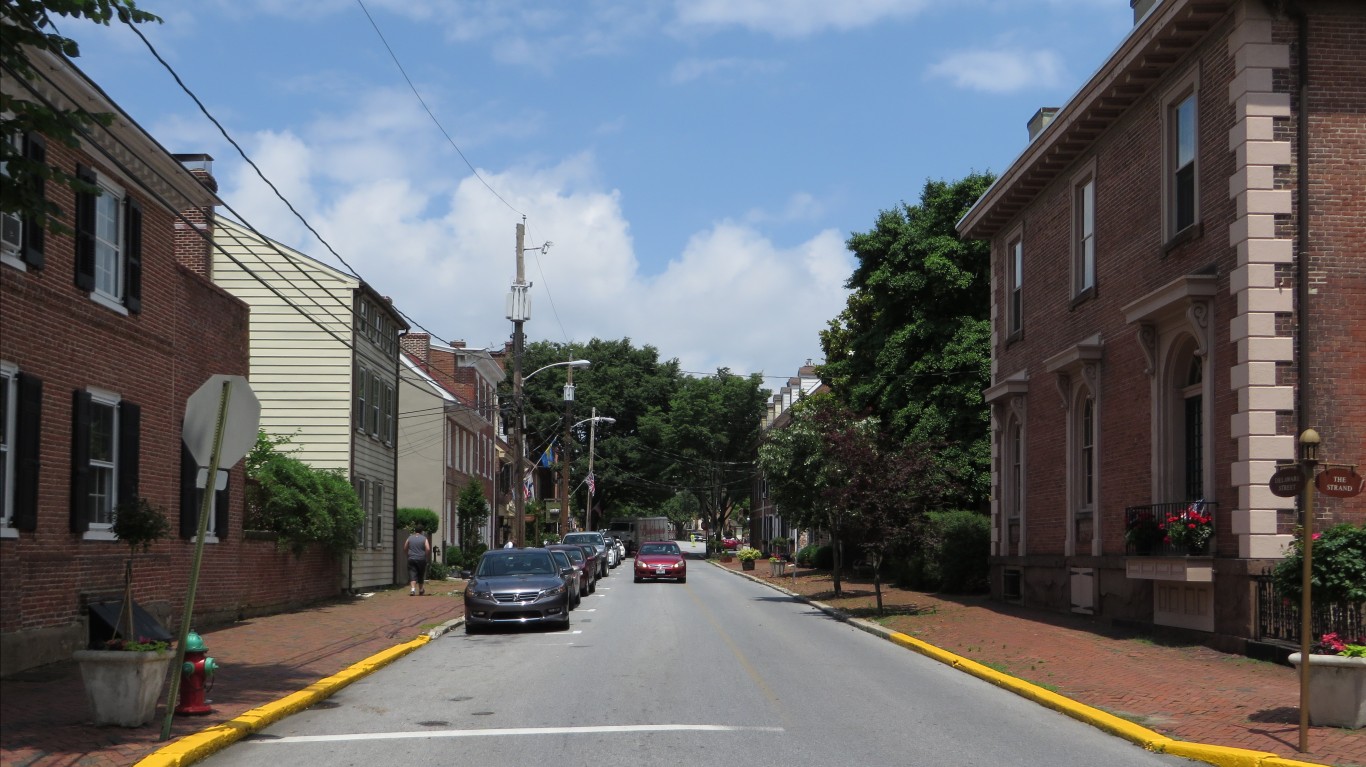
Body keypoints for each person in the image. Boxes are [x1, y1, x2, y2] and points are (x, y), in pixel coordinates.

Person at [406, 527, 431, 596]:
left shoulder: (410, 538)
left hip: (411, 558)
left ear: (415, 531)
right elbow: (428, 548)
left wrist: (408, 554)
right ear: (422, 531)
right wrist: (425, 555)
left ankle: (413, 589)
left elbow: (405, 547)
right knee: (421, 574)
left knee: (412, 573)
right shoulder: (424, 538)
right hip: (421, 559)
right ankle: (421, 590)